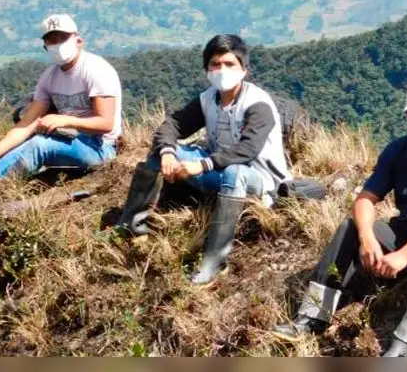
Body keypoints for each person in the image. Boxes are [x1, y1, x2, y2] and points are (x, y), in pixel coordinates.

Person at [273, 81, 407, 357]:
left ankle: (406, 342)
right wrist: (367, 239)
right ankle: (313, 315)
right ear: (406, 116)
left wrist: (404, 254)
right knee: (351, 226)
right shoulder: (398, 151)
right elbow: (365, 199)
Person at [116, 34, 296, 286]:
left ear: (244, 69)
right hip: (216, 171)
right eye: (215, 64)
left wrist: (202, 164)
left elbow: (248, 150)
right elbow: (173, 124)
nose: (222, 70)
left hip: (259, 182)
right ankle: (131, 226)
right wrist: (168, 151)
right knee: (162, 151)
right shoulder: (208, 98)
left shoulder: (258, 104)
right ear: (207, 70)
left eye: (230, 64)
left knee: (236, 172)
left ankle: (214, 260)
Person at [0, 14, 122, 179]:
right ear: (45, 46)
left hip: (100, 147)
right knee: (25, 144)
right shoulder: (49, 77)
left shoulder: (96, 69)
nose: (57, 44)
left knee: (40, 145)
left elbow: (106, 123)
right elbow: (27, 123)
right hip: (69, 138)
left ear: (78, 41)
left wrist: (66, 121)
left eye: (62, 38)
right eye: (51, 40)